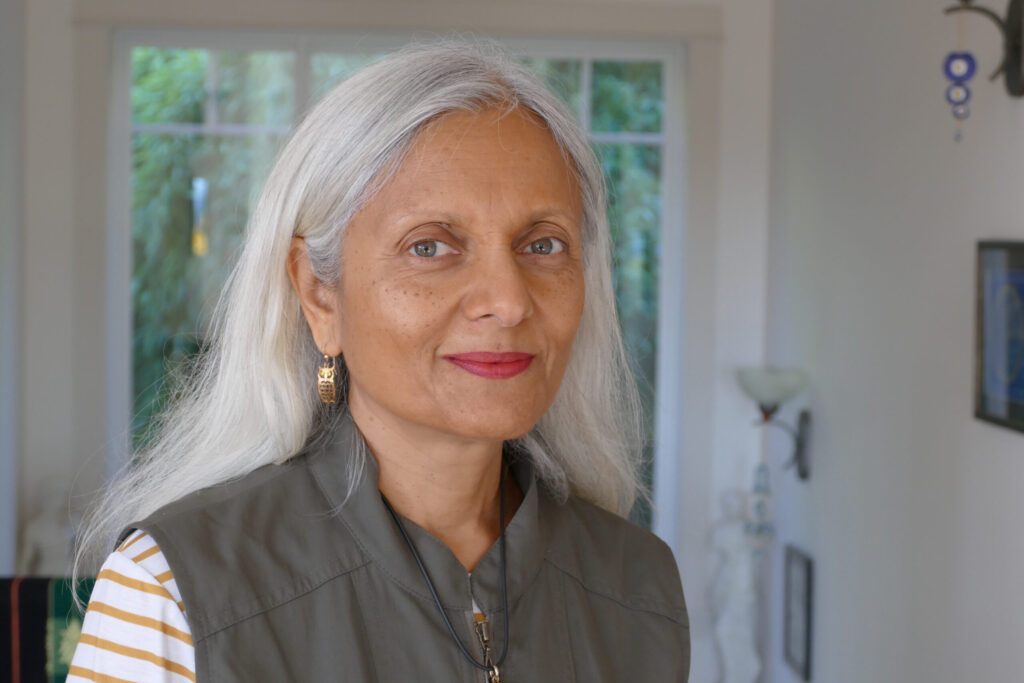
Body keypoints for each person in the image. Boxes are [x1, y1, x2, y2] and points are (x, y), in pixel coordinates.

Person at [69, 38, 690, 682]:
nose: (508, 301)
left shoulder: (638, 584)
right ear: (319, 294)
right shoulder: (173, 590)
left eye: (542, 244)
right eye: (430, 247)